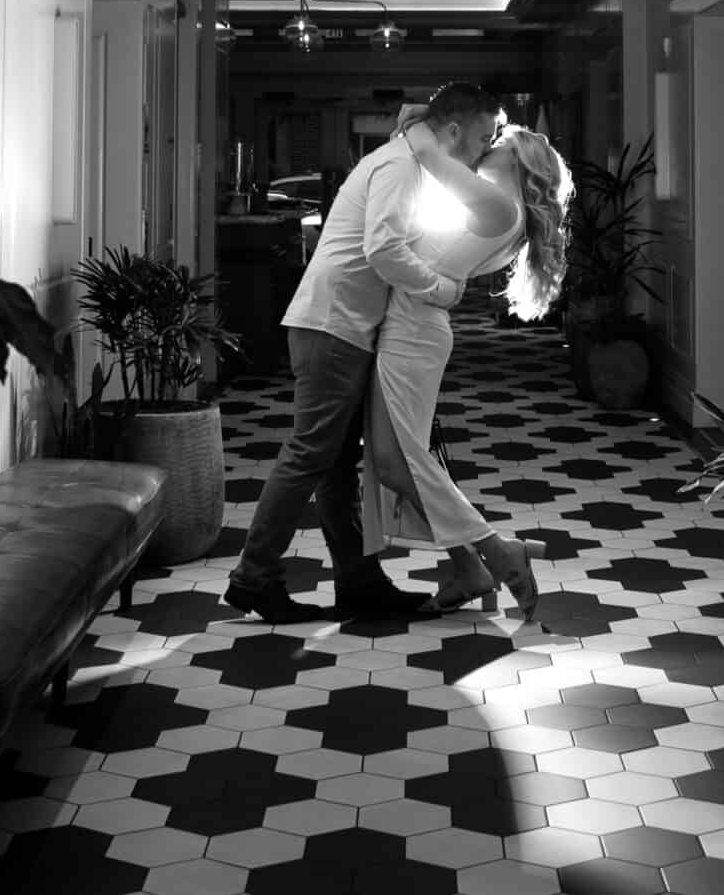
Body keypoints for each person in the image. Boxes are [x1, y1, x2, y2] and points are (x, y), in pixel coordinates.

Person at [222, 82, 507, 623]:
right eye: (481, 138)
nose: (483, 153)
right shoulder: (401, 166)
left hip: (340, 325)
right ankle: (253, 577)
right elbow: (382, 249)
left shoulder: (409, 160)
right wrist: (441, 290)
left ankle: (358, 583)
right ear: (452, 130)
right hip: (333, 325)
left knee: (333, 466)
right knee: (311, 454)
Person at [359, 121, 572, 625]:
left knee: (395, 462)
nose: (487, 146)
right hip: (413, 326)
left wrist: (414, 131)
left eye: (497, 142)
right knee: (396, 459)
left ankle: (495, 553)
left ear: (518, 160)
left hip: (412, 330)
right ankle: (470, 566)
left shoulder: (500, 208)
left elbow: (431, 161)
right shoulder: (500, 208)